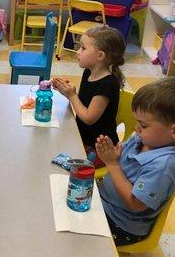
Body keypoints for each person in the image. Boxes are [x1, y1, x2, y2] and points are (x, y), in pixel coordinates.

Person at [95, 77, 175, 246]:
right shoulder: (146, 139)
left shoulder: (164, 166)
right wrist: (113, 154)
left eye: (143, 125)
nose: (137, 129)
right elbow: (123, 156)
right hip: (105, 202)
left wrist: (113, 164)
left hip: (121, 224)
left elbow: (135, 204)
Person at [52, 26, 126, 167]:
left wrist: (72, 95)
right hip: (83, 138)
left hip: (100, 150)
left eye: (83, 48)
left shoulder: (107, 84)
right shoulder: (88, 72)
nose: (78, 52)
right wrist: (67, 92)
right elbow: (84, 103)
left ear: (100, 56)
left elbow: (88, 118)